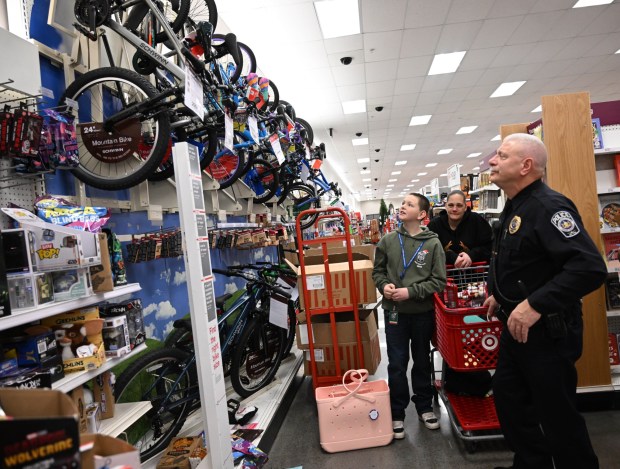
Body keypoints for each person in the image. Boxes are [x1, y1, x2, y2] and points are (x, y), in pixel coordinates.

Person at [483, 133, 606, 469]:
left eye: (502, 156)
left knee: (557, 418)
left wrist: (535, 303)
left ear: (526, 166)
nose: (492, 161)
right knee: (509, 402)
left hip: (547, 332)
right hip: (516, 328)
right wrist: (500, 293)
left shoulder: (548, 207)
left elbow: (589, 267)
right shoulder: (516, 205)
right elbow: (522, 260)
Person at [372, 193, 446, 440]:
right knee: (396, 363)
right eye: (402, 203)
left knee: (422, 362)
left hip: (422, 313)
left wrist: (411, 292)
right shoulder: (388, 241)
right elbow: (378, 272)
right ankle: (397, 412)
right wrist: (384, 286)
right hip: (394, 314)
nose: (403, 206)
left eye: (410, 204)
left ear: (422, 214)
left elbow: (439, 281)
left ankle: (424, 407)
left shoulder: (433, 243)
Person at [427, 189, 493, 268]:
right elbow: (428, 251)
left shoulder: (477, 221)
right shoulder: (434, 225)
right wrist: (451, 257)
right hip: (444, 277)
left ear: (465, 207)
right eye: (451, 205)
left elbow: (490, 246)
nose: (454, 209)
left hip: (474, 275)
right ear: (446, 206)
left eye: (459, 205)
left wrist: (471, 255)